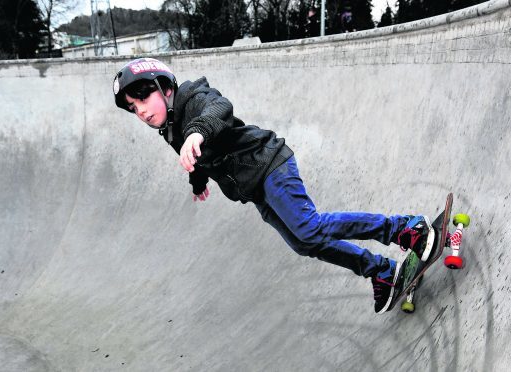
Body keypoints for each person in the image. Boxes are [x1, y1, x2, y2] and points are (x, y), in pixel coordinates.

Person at [112, 57, 435, 314]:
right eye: (132, 107)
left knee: (308, 227)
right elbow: (197, 160)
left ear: (166, 88)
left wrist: (197, 132)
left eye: (142, 97)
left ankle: (405, 229)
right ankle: (379, 270)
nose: (140, 110)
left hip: (270, 164)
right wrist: (196, 182)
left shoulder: (194, 98)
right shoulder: (170, 130)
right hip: (255, 189)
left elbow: (219, 109)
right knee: (305, 243)